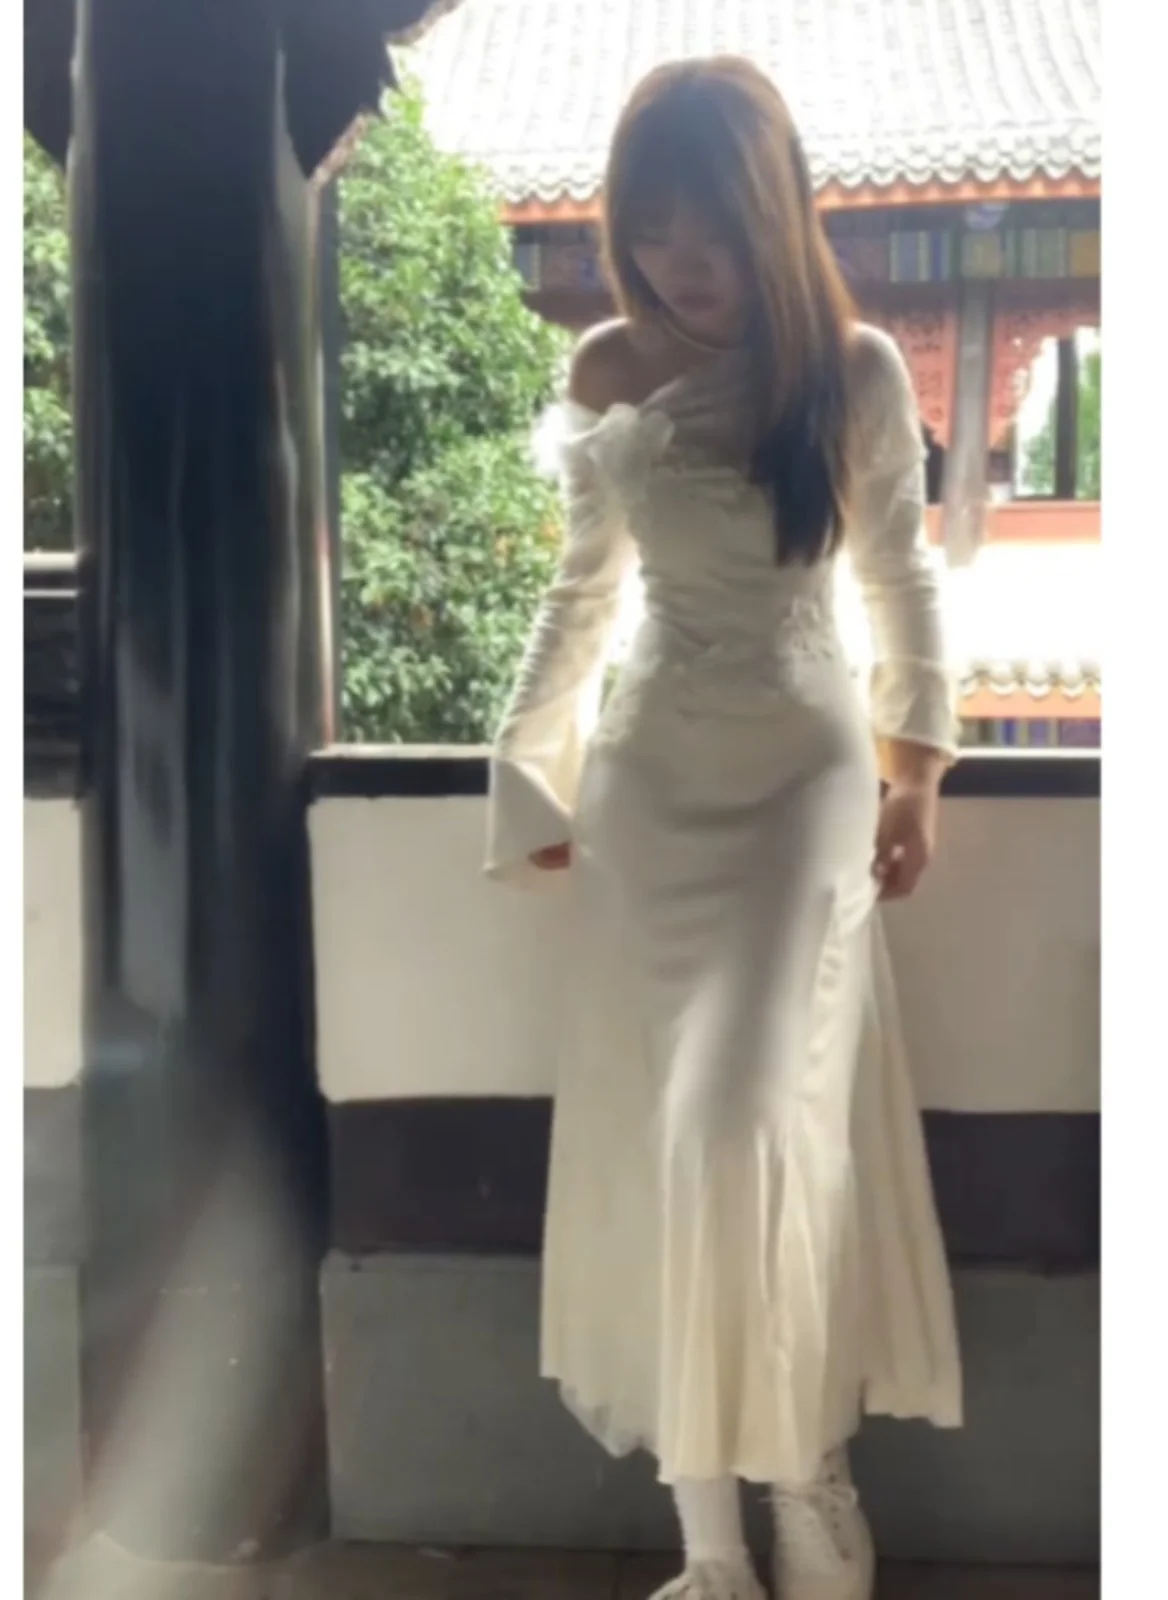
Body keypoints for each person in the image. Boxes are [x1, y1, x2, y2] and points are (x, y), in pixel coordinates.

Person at [484, 57, 962, 1600]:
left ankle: (803, 1465)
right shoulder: (607, 367)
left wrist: (918, 773)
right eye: (654, 231)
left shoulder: (855, 369)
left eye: (712, 229)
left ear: (776, 211)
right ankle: (709, 1553)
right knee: (668, 1145)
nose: (683, 263)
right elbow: (584, 589)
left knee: (743, 1126)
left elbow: (900, 579)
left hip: (805, 784)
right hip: (649, 786)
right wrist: (526, 765)